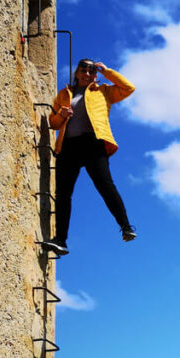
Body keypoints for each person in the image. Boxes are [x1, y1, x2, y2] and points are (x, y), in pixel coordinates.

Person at [42, 59, 136, 256]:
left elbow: (128, 88)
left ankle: (126, 227)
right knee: (63, 194)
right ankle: (60, 240)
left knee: (105, 185)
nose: (87, 74)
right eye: (83, 70)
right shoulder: (64, 94)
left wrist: (106, 71)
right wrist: (62, 114)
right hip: (69, 146)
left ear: (95, 75)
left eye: (91, 71)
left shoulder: (104, 91)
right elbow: (53, 123)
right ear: (77, 73)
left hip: (93, 143)